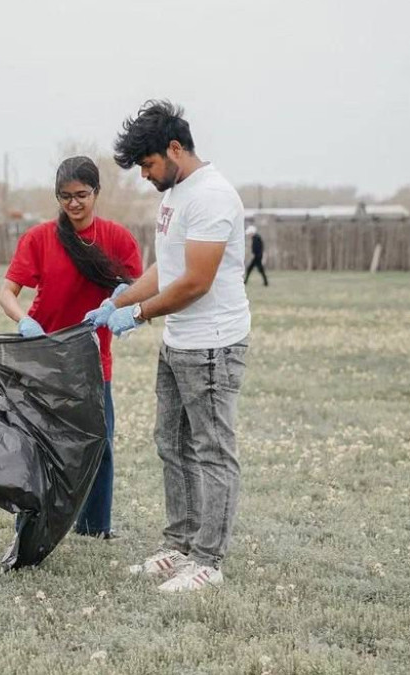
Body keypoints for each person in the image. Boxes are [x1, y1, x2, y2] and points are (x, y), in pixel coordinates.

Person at [91, 99, 250, 593]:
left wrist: (136, 314)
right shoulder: (174, 194)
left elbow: (196, 282)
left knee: (212, 451)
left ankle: (208, 559)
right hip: (178, 340)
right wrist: (122, 295)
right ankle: (179, 544)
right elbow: (167, 268)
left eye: (148, 164)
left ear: (175, 148)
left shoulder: (212, 196)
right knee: (172, 444)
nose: (144, 175)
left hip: (212, 346)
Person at [0, 156, 142, 539]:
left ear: (96, 193)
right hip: (42, 355)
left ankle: (95, 528)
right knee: (39, 445)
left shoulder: (117, 238)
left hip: (93, 358)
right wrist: (22, 321)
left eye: (81, 195)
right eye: (65, 197)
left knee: (100, 445)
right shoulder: (40, 238)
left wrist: (115, 302)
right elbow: (7, 291)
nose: (74, 204)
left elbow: (135, 286)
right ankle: (30, 523)